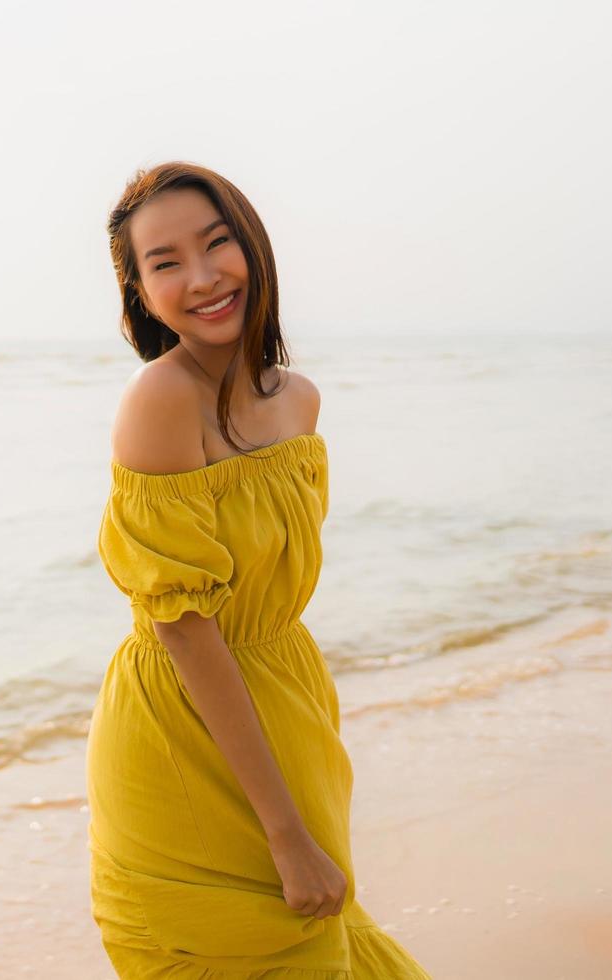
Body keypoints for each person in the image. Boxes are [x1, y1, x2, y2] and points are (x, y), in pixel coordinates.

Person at [87, 162, 433, 978]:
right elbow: (183, 621)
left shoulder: (299, 402)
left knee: (327, 939)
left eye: (217, 244)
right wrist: (283, 831)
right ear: (140, 292)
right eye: (165, 263)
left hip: (287, 698)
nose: (203, 278)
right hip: (182, 729)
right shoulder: (160, 399)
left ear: (254, 246)